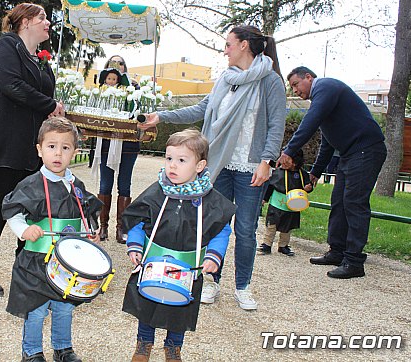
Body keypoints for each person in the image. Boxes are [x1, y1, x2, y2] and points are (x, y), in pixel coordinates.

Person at [140, 25, 286, 310]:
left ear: (244, 45)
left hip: (251, 166)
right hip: (219, 164)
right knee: (213, 223)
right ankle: (211, 281)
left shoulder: (270, 81)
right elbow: (201, 110)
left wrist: (267, 161)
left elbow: (276, 125)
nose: (225, 49)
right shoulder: (225, 80)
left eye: (229, 44)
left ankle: (243, 287)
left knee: (245, 229)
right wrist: (162, 117)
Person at [0, 3, 64, 296]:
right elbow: (12, 86)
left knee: (34, 207)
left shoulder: (39, 59)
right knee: (1, 205)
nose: (48, 23)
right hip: (5, 141)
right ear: (24, 22)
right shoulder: (6, 46)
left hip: (31, 144)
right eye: (42, 18)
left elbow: (46, 92)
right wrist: (50, 105)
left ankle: (25, 270)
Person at [122, 129, 235, 361]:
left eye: (181, 160)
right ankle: (144, 343)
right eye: (169, 158)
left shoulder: (209, 199)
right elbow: (136, 219)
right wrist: (135, 245)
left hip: (188, 267)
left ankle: (173, 346)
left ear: (199, 165)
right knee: (147, 304)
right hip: (153, 262)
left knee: (181, 309)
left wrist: (214, 255)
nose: (172, 166)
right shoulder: (157, 190)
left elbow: (222, 228)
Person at [3, 117, 102, 362]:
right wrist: (24, 230)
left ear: (74, 152)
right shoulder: (31, 184)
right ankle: (32, 351)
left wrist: (91, 230)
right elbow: (14, 213)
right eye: (51, 146)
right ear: (39, 149)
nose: (58, 153)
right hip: (37, 260)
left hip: (68, 263)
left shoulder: (75, 184)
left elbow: (85, 211)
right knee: (35, 310)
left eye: (65, 147)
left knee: (64, 308)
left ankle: (63, 348)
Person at [278, 66, 386, 279]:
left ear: (309, 77)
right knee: (339, 202)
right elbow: (327, 143)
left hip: (366, 149)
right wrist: (316, 172)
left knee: (354, 203)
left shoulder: (326, 86)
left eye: (296, 85)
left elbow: (310, 122)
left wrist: (289, 150)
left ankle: (354, 261)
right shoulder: (325, 103)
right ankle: (337, 252)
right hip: (350, 154)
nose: (295, 91)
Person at [92, 55, 140, 244]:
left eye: (121, 62)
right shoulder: (101, 88)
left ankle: (121, 228)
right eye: (113, 63)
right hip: (105, 143)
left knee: (125, 184)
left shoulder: (133, 87)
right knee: (104, 185)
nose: (117, 66)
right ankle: (103, 226)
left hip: (128, 143)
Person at [258, 148, 313, 256]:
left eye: (286, 160)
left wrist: (308, 188)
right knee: (271, 225)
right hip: (276, 203)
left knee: (287, 227)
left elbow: (308, 186)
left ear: (295, 162)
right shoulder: (278, 172)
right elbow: (270, 186)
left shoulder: (302, 174)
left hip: (293, 205)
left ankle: (283, 246)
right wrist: (265, 198)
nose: (283, 162)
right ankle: (267, 244)